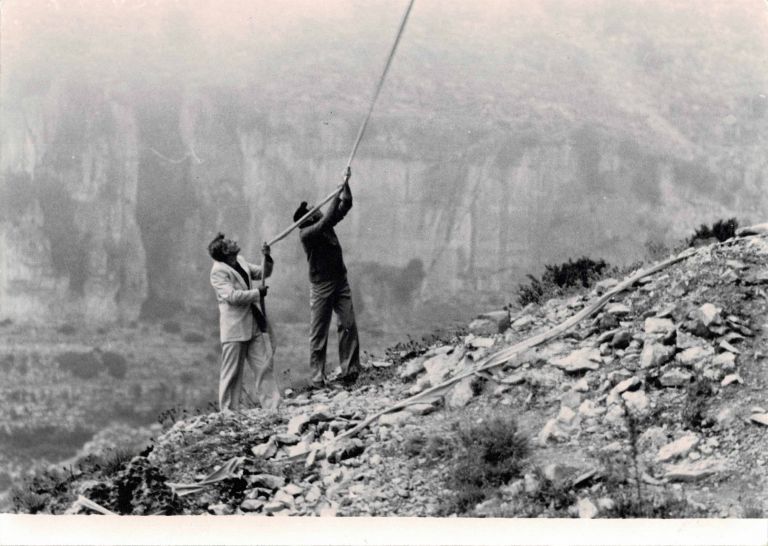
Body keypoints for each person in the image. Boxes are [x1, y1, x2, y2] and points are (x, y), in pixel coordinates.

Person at [295, 167, 360, 389]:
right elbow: (328, 219)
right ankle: (316, 378)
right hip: (321, 286)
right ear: (308, 220)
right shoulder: (307, 234)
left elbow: (346, 205)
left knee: (348, 323)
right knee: (319, 332)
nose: (318, 210)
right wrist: (336, 191)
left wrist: (346, 186)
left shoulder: (326, 225)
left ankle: (350, 372)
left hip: (340, 280)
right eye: (314, 211)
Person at [208, 233, 280, 411]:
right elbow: (232, 297)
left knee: (263, 365)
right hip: (234, 329)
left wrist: (267, 257)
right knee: (232, 372)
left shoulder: (239, 260)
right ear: (225, 251)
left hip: (253, 322)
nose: (235, 241)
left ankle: (272, 407)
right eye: (229, 242)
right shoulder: (218, 271)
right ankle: (228, 412)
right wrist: (257, 294)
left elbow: (263, 273)